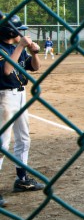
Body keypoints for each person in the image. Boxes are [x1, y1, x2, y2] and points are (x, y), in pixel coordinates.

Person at [0, 12, 46, 207]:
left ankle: (22, 179)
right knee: (2, 144)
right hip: (4, 98)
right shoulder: (2, 48)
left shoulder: (17, 48)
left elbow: (34, 67)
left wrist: (34, 53)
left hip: (20, 95)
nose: (22, 34)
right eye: (19, 31)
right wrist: (20, 46)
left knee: (24, 138)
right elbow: (7, 70)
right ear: (10, 31)